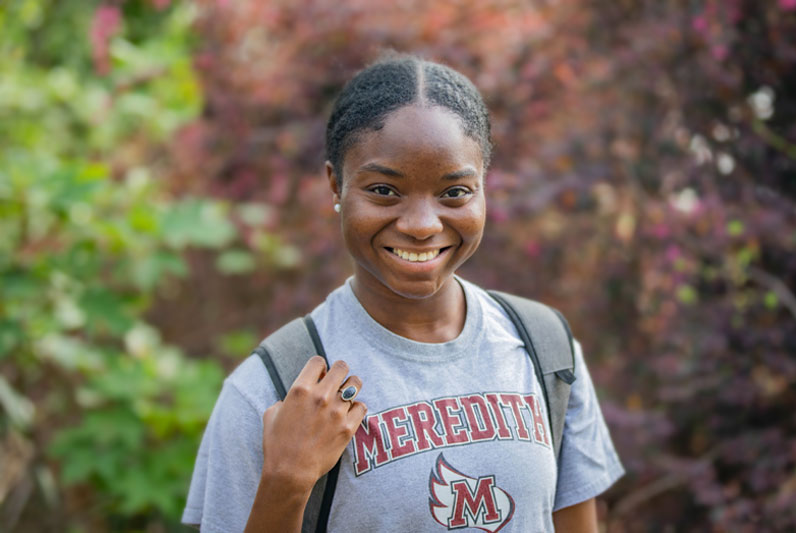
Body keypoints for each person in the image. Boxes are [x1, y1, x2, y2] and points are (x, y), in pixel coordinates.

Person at [182, 53, 624, 533]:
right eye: (384, 191)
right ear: (336, 184)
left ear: (483, 188)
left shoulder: (546, 351)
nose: (421, 225)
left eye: (454, 192)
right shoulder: (271, 390)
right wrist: (286, 481)